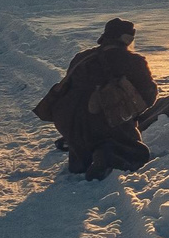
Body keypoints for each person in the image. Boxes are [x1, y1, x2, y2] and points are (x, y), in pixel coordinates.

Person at [35, 18, 157, 180]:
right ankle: (108, 156)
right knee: (138, 153)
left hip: (71, 123)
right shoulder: (134, 61)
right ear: (127, 39)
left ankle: (82, 158)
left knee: (81, 153)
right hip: (106, 121)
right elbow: (148, 96)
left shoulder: (82, 57)